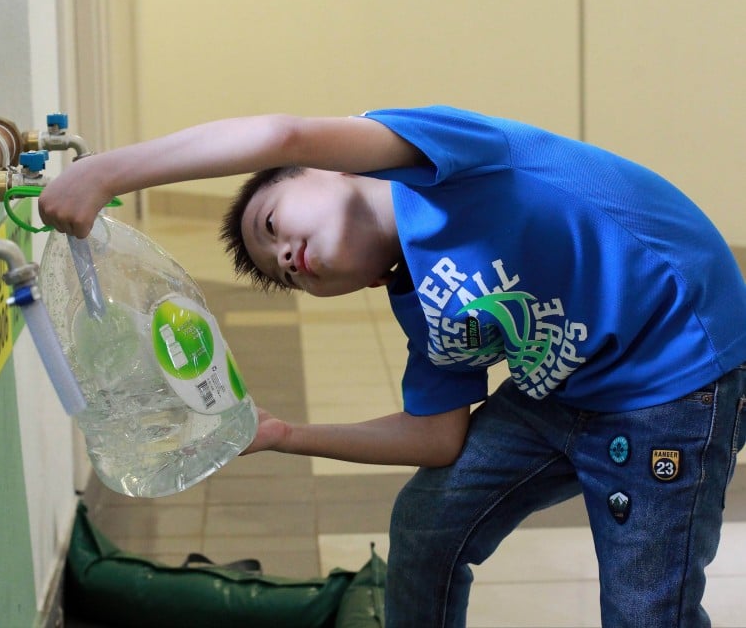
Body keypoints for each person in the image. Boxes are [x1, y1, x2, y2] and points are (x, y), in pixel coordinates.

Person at [38, 106, 746, 627]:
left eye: (274, 224)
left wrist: (108, 171)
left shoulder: (443, 159)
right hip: (566, 393)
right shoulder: (417, 299)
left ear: (335, 167)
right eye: (286, 274)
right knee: (428, 523)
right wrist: (280, 433)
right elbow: (434, 438)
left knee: (645, 609)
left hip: (678, 378)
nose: (286, 256)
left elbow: (280, 133)